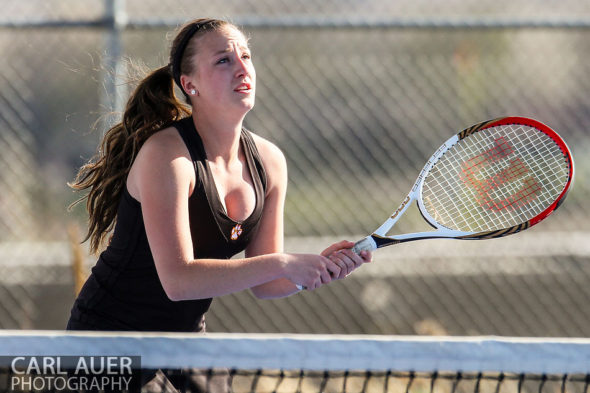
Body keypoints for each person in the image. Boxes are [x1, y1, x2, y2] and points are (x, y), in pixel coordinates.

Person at [67, 18, 371, 333]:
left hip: (187, 340)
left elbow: (267, 285)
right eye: (224, 60)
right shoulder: (168, 157)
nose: (242, 68)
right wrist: (283, 263)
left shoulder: (270, 162)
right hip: (109, 337)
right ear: (189, 84)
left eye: (246, 56)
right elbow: (179, 282)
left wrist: (315, 269)